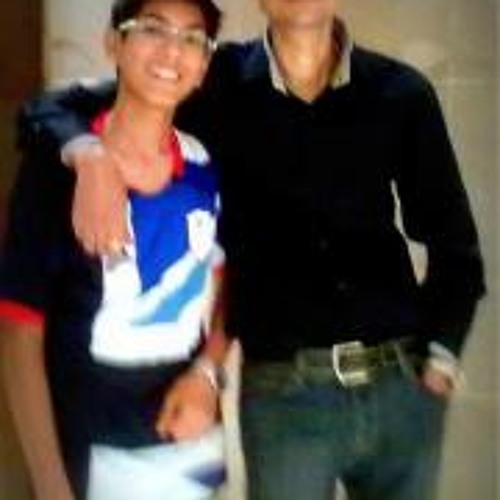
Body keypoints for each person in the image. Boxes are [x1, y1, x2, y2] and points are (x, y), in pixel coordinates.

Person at [17, 0, 486, 498]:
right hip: (284, 397)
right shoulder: (216, 79)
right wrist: (88, 154)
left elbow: (455, 246)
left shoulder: (400, 93)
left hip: (399, 387)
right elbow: (51, 108)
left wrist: (440, 363)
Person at [0, 0, 230, 499]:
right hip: (89, 447)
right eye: (153, 30)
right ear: (114, 44)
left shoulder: (206, 165)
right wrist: (50, 481)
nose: (172, 51)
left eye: (192, 38)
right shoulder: (55, 172)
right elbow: (19, 334)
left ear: (204, 65)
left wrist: (207, 374)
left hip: (190, 446)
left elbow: (222, 285)